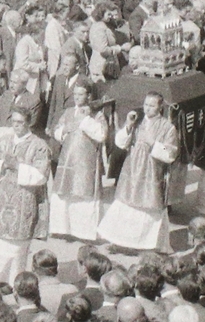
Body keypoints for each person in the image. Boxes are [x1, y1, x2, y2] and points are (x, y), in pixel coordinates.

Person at [0, 109, 48, 286]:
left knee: (16, 248)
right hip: (1, 199)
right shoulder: (4, 141)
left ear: (28, 123)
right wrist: (2, 164)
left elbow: (41, 175)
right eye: (14, 122)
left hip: (23, 200)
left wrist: (18, 166)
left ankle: (12, 283)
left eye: (20, 122)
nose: (16, 126)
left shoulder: (39, 145)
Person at [96, 96, 177, 252]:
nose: (147, 108)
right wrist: (128, 125)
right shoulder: (137, 121)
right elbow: (120, 143)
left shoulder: (168, 127)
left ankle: (146, 245)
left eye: (152, 106)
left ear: (160, 107)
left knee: (148, 209)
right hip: (132, 170)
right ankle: (121, 241)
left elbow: (171, 154)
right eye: (146, 104)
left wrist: (153, 143)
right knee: (126, 205)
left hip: (152, 171)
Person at [45, 82, 105, 242]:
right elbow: (57, 130)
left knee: (82, 194)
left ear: (89, 96)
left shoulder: (96, 114)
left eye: (81, 94)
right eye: (75, 94)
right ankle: (62, 228)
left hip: (86, 160)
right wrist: (64, 130)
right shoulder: (68, 112)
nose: (77, 97)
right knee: (64, 193)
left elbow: (101, 135)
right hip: (67, 158)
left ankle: (84, 232)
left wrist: (85, 120)